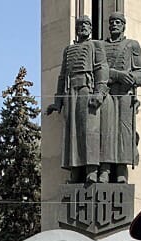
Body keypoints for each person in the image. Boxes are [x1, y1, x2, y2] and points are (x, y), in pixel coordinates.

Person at [45, 15, 107, 184]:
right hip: (70, 92)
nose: (83, 27)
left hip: (87, 89)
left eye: (86, 25)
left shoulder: (96, 45)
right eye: (80, 25)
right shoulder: (68, 49)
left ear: (90, 28)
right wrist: (58, 102)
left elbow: (101, 69)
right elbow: (62, 75)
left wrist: (99, 92)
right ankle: (76, 171)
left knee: (89, 130)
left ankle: (92, 170)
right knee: (72, 132)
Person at [99, 11, 141, 183]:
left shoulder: (132, 45)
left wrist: (132, 78)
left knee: (125, 132)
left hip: (125, 94)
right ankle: (104, 169)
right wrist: (117, 75)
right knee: (106, 131)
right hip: (106, 93)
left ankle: (121, 171)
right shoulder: (100, 46)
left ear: (124, 25)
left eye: (118, 22)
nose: (114, 25)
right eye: (112, 22)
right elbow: (97, 70)